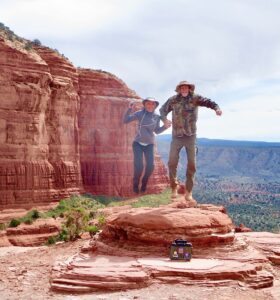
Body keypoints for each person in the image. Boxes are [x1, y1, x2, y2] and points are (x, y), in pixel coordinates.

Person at [159, 81, 222, 201]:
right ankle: (174, 187)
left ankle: (189, 191)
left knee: (192, 164)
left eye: (186, 87)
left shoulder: (195, 98)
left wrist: (217, 109)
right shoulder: (173, 100)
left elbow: (209, 102)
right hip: (177, 136)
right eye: (182, 87)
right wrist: (164, 120)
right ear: (179, 89)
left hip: (190, 136)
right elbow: (162, 110)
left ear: (189, 88)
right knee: (172, 162)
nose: (184, 89)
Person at [123, 97, 170, 194]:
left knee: (150, 166)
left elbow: (157, 131)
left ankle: (144, 182)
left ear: (155, 106)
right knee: (139, 166)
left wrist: (165, 127)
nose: (150, 106)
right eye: (148, 103)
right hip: (137, 144)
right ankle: (135, 184)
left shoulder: (156, 117)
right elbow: (125, 120)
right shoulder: (140, 113)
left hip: (149, 144)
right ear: (144, 104)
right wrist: (129, 109)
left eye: (152, 104)